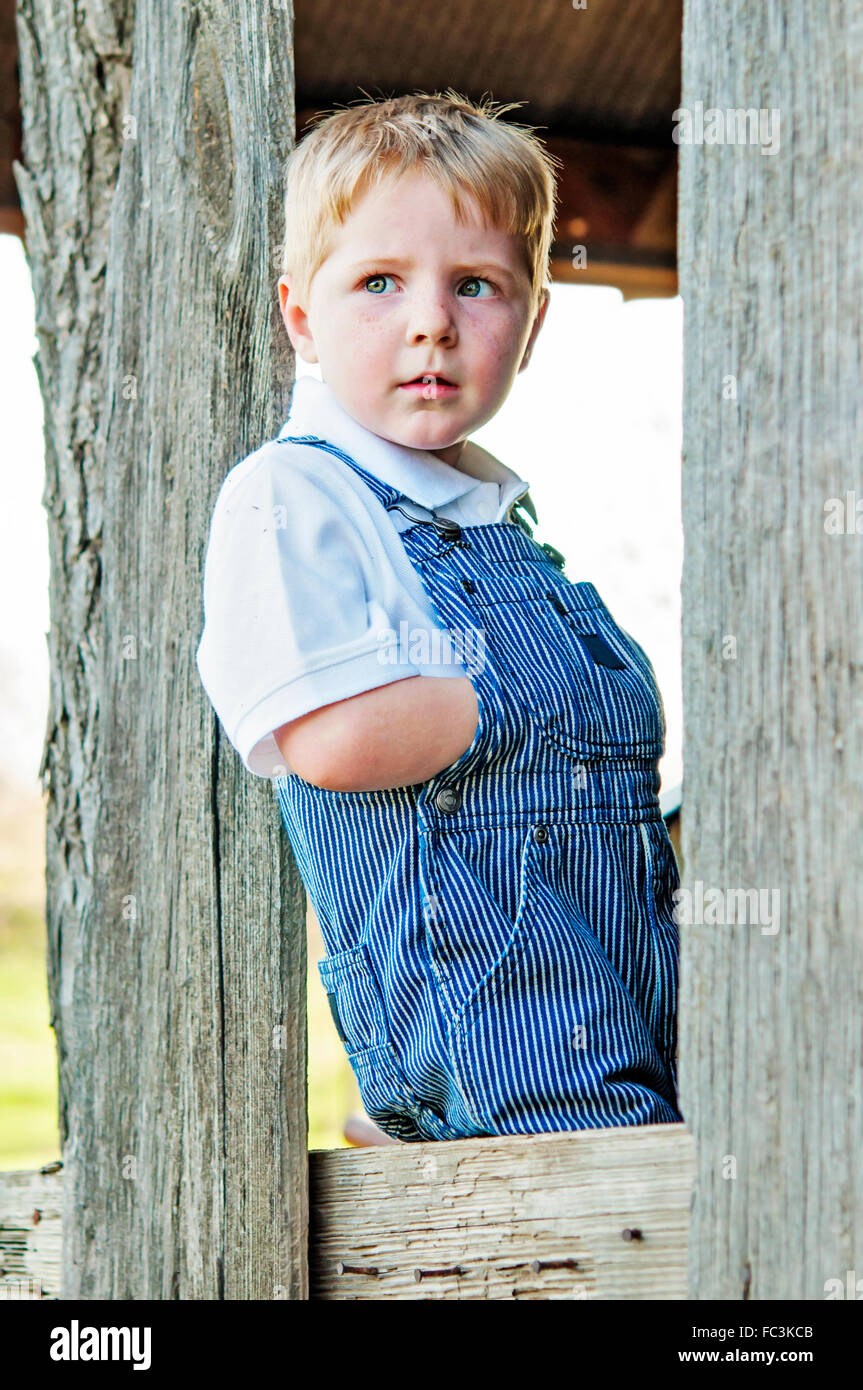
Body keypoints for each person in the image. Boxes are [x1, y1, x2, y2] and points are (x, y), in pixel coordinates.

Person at [195, 90, 682, 1143]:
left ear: (533, 319)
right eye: (379, 282)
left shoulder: (503, 519)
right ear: (300, 317)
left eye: (476, 285)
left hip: (626, 975)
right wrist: (507, 692)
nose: (431, 321)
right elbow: (326, 730)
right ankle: (419, 1115)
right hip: (491, 1004)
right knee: (608, 1215)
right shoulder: (296, 494)